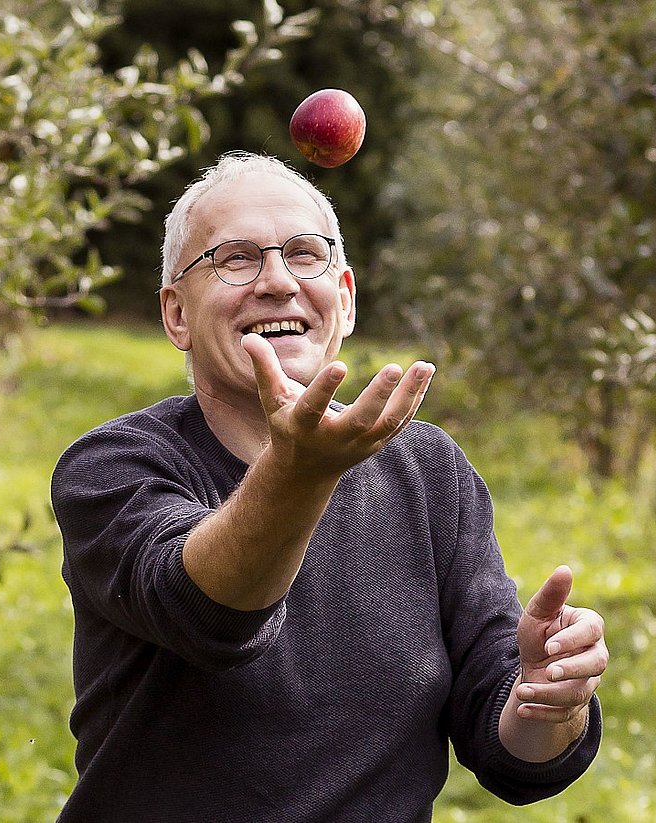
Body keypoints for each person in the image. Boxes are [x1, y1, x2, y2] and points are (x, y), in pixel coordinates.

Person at [50, 151, 606, 822]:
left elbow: (508, 745)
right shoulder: (114, 466)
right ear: (176, 315)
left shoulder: (429, 473)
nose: (278, 281)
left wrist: (550, 699)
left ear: (342, 298)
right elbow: (211, 615)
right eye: (235, 259)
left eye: (305, 255)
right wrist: (300, 469)